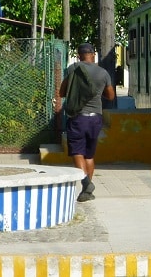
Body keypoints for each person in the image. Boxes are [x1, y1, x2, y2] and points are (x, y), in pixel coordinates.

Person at [59, 43, 115, 202]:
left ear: (78, 55)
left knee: (77, 152)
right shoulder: (103, 73)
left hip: (78, 117)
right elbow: (110, 96)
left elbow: (62, 92)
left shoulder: (73, 69)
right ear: (93, 54)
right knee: (89, 155)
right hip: (96, 118)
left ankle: (85, 183)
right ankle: (87, 193)